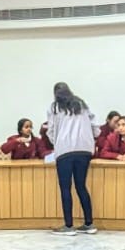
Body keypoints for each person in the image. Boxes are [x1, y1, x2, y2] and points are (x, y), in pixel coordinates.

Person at [46, 80, 97, 234]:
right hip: (85, 149)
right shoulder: (82, 104)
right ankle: (89, 224)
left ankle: (69, 226)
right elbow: (95, 127)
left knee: (65, 188)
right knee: (81, 186)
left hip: (65, 150)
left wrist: (57, 142)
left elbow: (51, 130)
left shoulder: (55, 107)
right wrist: (89, 139)